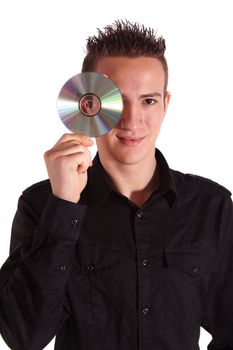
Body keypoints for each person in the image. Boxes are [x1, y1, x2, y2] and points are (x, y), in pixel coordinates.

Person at [0, 20, 233, 350]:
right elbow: (24, 337)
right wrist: (64, 204)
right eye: (117, 101)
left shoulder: (211, 207)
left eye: (148, 101)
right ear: (87, 104)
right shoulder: (43, 205)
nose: (131, 121)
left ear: (166, 104)